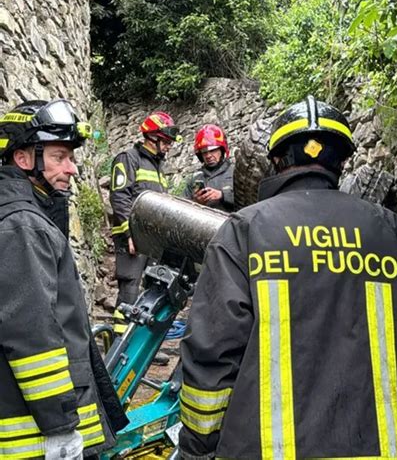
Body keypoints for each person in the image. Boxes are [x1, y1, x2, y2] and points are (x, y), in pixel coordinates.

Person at [178, 96, 397, 459]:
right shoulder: (387, 232)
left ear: (275, 160)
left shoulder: (244, 232)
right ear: (341, 162)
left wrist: (198, 450)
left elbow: (211, 356)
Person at [0, 99, 128, 459]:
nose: (72, 169)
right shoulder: (22, 226)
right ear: (24, 158)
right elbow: (32, 336)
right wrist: (60, 427)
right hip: (35, 436)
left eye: (71, 157)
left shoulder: (26, 215)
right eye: (60, 157)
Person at [109, 111, 180, 334]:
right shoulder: (128, 158)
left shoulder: (158, 166)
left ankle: (137, 346)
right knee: (129, 290)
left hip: (153, 241)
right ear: (152, 137)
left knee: (149, 292)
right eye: (166, 141)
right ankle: (118, 348)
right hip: (132, 239)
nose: (169, 146)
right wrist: (131, 234)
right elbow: (120, 197)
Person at [183, 124, 234, 212]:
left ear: (222, 150)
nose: (208, 156)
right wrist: (195, 202)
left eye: (213, 150)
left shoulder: (236, 172)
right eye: (204, 152)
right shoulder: (194, 179)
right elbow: (181, 207)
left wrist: (223, 195)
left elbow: (250, 199)